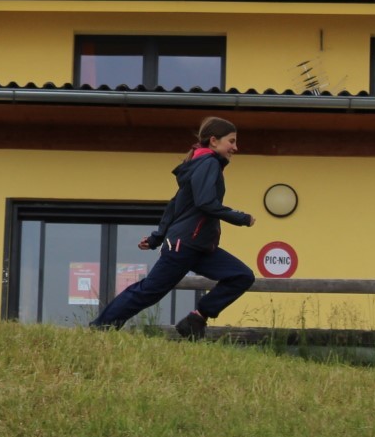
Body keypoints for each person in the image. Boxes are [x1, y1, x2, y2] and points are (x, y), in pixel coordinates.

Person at [90, 116, 257, 339]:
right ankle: (101, 328)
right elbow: (206, 203)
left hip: (199, 246)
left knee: (241, 276)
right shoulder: (208, 164)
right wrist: (241, 217)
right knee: (149, 291)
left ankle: (196, 319)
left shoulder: (200, 164)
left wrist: (156, 237)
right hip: (184, 245)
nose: (235, 147)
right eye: (232, 141)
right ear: (214, 141)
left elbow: (175, 205)